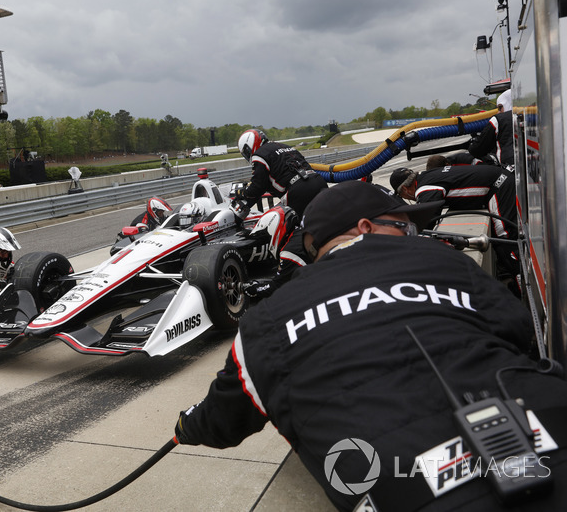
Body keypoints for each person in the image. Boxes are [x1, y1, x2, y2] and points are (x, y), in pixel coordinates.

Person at [173, 181, 567, 512]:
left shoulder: (264, 322)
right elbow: (522, 333)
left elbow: (222, 419)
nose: (413, 235)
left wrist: (185, 425)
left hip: (402, 488)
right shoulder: (438, 258)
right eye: (404, 225)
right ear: (364, 227)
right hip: (540, 441)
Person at [390, 164, 520, 287]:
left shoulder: (425, 187)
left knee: (506, 239)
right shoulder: (428, 175)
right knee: (504, 241)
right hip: (500, 180)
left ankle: (521, 283)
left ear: (405, 189)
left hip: (499, 187)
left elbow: (429, 215)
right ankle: (515, 277)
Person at [235, 129, 328, 219]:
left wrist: (242, 192)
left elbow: (257, 186)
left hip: (298, 191)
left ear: (249, 146)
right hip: (318, 181)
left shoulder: (259, 154)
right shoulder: (284, 146)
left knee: (279, 225)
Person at [468, 89, 514, 168]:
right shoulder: (532, 115)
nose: (498, 112)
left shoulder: (499, 119)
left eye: (500, 107)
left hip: (509, 171)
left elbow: (476, 149)